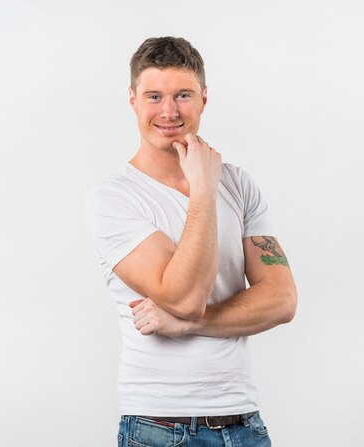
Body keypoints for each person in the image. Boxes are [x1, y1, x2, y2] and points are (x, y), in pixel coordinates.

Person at [83, 36, 297, 447]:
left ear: (203, 99)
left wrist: (187, 324)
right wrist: (202, 192)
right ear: (132, 100)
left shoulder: (237, 183)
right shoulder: (113, 198)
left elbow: (282, 301)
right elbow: (184, 297)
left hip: (244, 423)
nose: (169, 111)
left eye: (182, 95)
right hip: (160, 426)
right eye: (154, 96)